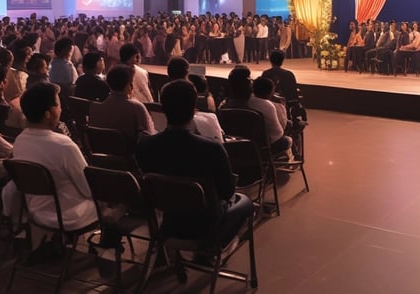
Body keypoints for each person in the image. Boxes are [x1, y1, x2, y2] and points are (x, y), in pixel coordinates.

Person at [135, 79, 253, 251]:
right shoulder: (212, 148)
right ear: (194, 108)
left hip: (169, 223)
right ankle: (214, 247)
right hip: (207, 227)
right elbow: (227, 192)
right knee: (246, 202)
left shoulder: (144, 145)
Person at [3, 82, 98, 230]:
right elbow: (87, 188)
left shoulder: (20, 140)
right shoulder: (64, 145)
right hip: (69, 216)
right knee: (116, 203)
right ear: (48, 114)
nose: (61, 110)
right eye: (58, 105)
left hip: (36, 211)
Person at [220, 65, 292, 156]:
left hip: (232, 150)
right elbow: (277, 134)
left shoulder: (223, 106)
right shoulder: (265, 105)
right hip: (260, 151)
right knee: (286, 139)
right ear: (250, 85)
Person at [89, 64, 156, 150]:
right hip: (130, 159)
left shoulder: (94, 107)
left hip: (100, 158)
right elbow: (150, 135)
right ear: (129, 85)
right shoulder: (136, 107)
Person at [261, 49, 305, 121]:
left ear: (270, 60)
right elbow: (293, 92)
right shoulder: (289, 74)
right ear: (282, 61)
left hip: (269, 103)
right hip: (286, 104)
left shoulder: (266, 74)